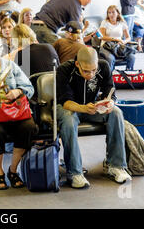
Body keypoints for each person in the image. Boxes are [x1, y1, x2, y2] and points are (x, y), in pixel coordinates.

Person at [56, 46, 131, 189]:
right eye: (85, 71)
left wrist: (109, 103)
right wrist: (83, 108)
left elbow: (111, 91)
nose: (90, 74)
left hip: (91, 106)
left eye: (93, 70)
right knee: (69, 121)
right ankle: (75, 172)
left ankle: (116, 166)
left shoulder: (103, 66)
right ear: (77, 64)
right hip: (69, 107)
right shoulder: (64, 70)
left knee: (116, 112)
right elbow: (65, 102)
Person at [0, 35, 38, 190]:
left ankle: (13, 170)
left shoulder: (9, 65)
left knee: (29, 127)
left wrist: (17, 91)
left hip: (14, 110)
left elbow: (29, 88)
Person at [99, 5, 135, 71]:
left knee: (131, 57)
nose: (111, 14)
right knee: (110, 59)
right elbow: (102, 37)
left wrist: (124, 42)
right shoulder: (104, 22)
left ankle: (128, 75)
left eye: (113, 12)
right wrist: (114, 39)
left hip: (118, 47)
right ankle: (110, 78)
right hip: (106, 46)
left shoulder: (122, 23)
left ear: (118, 13)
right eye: (109, 13)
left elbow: (128, 38)